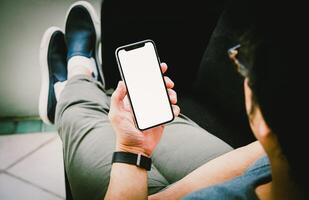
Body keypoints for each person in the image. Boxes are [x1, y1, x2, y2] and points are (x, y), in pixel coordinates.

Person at [39, 1, 308, 200]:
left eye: (245, 65)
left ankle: (73, 83)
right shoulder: (287, 146)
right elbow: (257, 158)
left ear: (265, 125)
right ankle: (77, 88)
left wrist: (132, 151)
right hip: (260, 170)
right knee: (146, 115)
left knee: (84, 116)